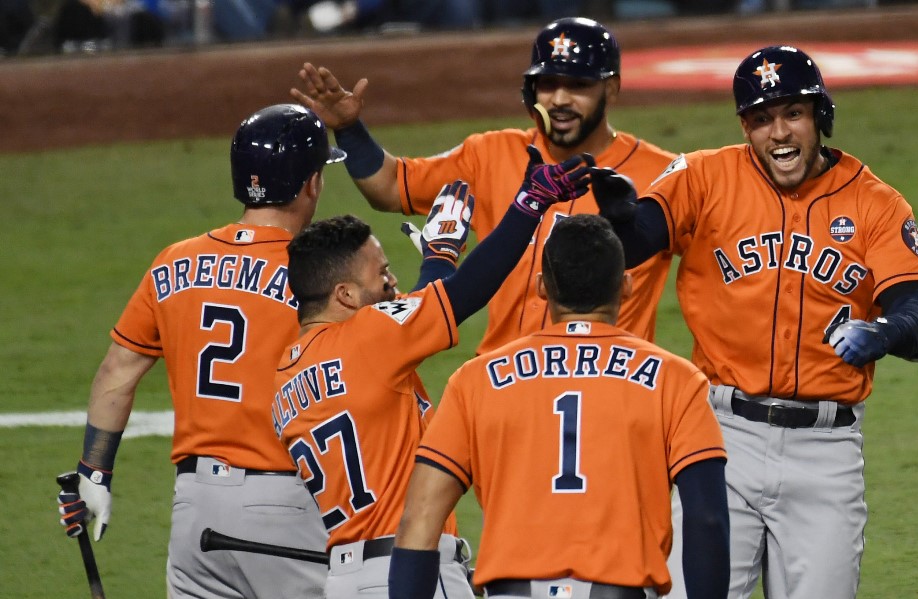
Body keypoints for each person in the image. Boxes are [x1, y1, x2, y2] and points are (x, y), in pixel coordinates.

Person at [592, 45, 918, 599]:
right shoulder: (705, 177)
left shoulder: (876, 203)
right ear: (744, 127)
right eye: (761, 119)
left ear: (819, 117)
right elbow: (639, 239)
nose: (778, 133)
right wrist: (618, 219)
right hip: (720, 441)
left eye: (792, 114)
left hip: (825, 455)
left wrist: (884, 333)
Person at [56, 103, 346, 599]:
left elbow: (117, 371)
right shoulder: (318, 277)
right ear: (310, 184)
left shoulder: (175, 262)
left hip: (195, 509)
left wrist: (94, 472)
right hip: (285, 505)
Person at [273, 153, 593, 597]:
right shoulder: (368, 339)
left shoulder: (287, 373)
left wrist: (440, 257)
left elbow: (414, 314)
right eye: (381, 273)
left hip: (345, 579)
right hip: (411, 570)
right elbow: (462, 295)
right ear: (344, 294)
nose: (391, 282)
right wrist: (529, 204)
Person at [288, 16, 675, 358]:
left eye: (577, 85)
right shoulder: (491, 154)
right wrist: (349, 130)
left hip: (610, 385)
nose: (558, 99)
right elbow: (389, 185)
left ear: (612, 88)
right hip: (503, 383)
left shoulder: (664, 173)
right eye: (547, 83)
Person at [387, 214, 730, 599]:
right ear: (627, 286)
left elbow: (419, 522)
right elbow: (707, 519)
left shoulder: (475, 380)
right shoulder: (677, 380)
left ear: (541, 288)